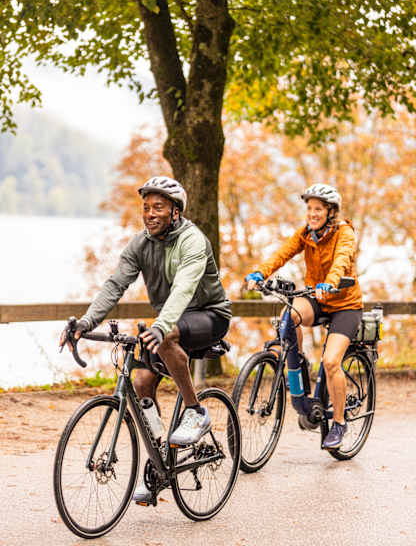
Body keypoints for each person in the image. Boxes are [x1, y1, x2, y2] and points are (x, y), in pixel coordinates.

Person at [60, 175, 231, 502]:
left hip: (209, 314)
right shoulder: (141, 244)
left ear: (175, 212)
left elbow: (183, 289)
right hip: (169, 319)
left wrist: (161, 325)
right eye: (146, 207)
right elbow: (114, 286)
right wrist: (85, 321)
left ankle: (196, 411)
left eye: (158, 207)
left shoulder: (193, 241)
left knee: (164, 339)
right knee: (140, 383)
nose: (150, 213)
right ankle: (160, 461)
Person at [245, 183, 363, 450]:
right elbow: (282, 254)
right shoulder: (306, 234)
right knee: (290, 316)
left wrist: (331, 282)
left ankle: (340, 423)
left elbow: (342, 260)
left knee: (332, 361)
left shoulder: (344, 232)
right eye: (309, 208)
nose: (312, 213)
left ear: (330, 211)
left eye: (318, 209)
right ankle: (297, 363)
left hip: (344, 302)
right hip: (317, 298)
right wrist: (259, 274)